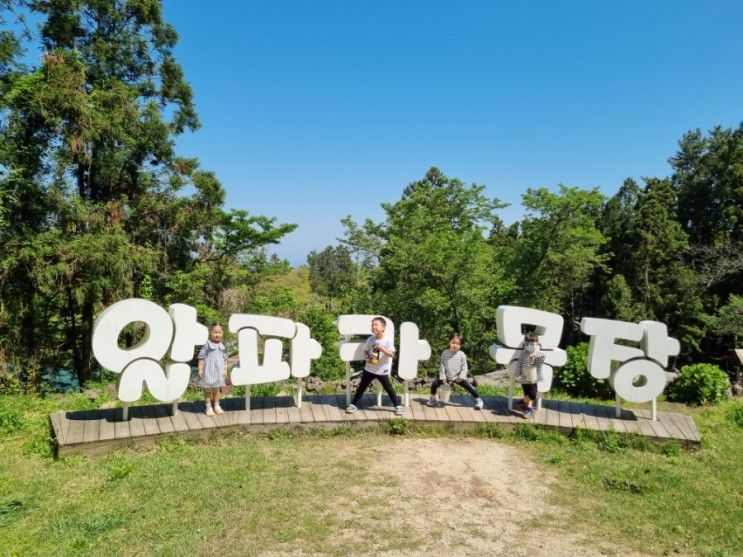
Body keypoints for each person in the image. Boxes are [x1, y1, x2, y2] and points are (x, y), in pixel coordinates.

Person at [346, 317, 404, 416]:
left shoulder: (387, 340)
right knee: (361, 387)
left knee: (389, 388)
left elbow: (392, 354)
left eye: (376, 325)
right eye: (372, 325)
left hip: (382, 371)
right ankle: (353, 404)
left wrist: (381, 348)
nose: (373, 327)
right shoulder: (370, 339)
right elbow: (365, 351)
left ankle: (397, 406)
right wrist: (367, 358)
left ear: (383, 328)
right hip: (369, 369)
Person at [427, 333, 484, 410]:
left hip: (457, 376)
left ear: (461, 345)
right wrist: (443, 377)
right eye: (453, 342)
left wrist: (462, 376)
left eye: (458, 344)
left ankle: (479, 400)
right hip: (446, 375)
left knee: (469, 387)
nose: (455, 345)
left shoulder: (461, 355)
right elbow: (442, 365)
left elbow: (464, 367)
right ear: (449, 342)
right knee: (435, 383)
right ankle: (433, 399)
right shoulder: (445, 353)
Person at [197, 323, 229, 416]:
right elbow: (201, 357)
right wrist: (200, 369)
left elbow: (225, 358)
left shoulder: (223, 345)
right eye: (215, 332)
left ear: (222, 333)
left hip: (219, 371)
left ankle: (216, 405)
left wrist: (225, 369)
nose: (217, 334)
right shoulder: (207, 344)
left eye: (219, 332)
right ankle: (208, 407)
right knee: (207, 389)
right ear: (210, 333)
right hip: (208, 371)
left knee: (217, 389)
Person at [515, 331, 545, 418]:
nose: (529, 346)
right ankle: (528, 411)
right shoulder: (523, 354)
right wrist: (517, 372)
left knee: (532, 395)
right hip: (524, 378)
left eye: (532, 344)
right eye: (527, 344)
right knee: (527, 395)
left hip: (533, 379)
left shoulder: (538, 353)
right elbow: (519, 363)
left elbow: (542, 357)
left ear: (537, 344)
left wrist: (534, 356)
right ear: (524, 344)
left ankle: (521, 403)